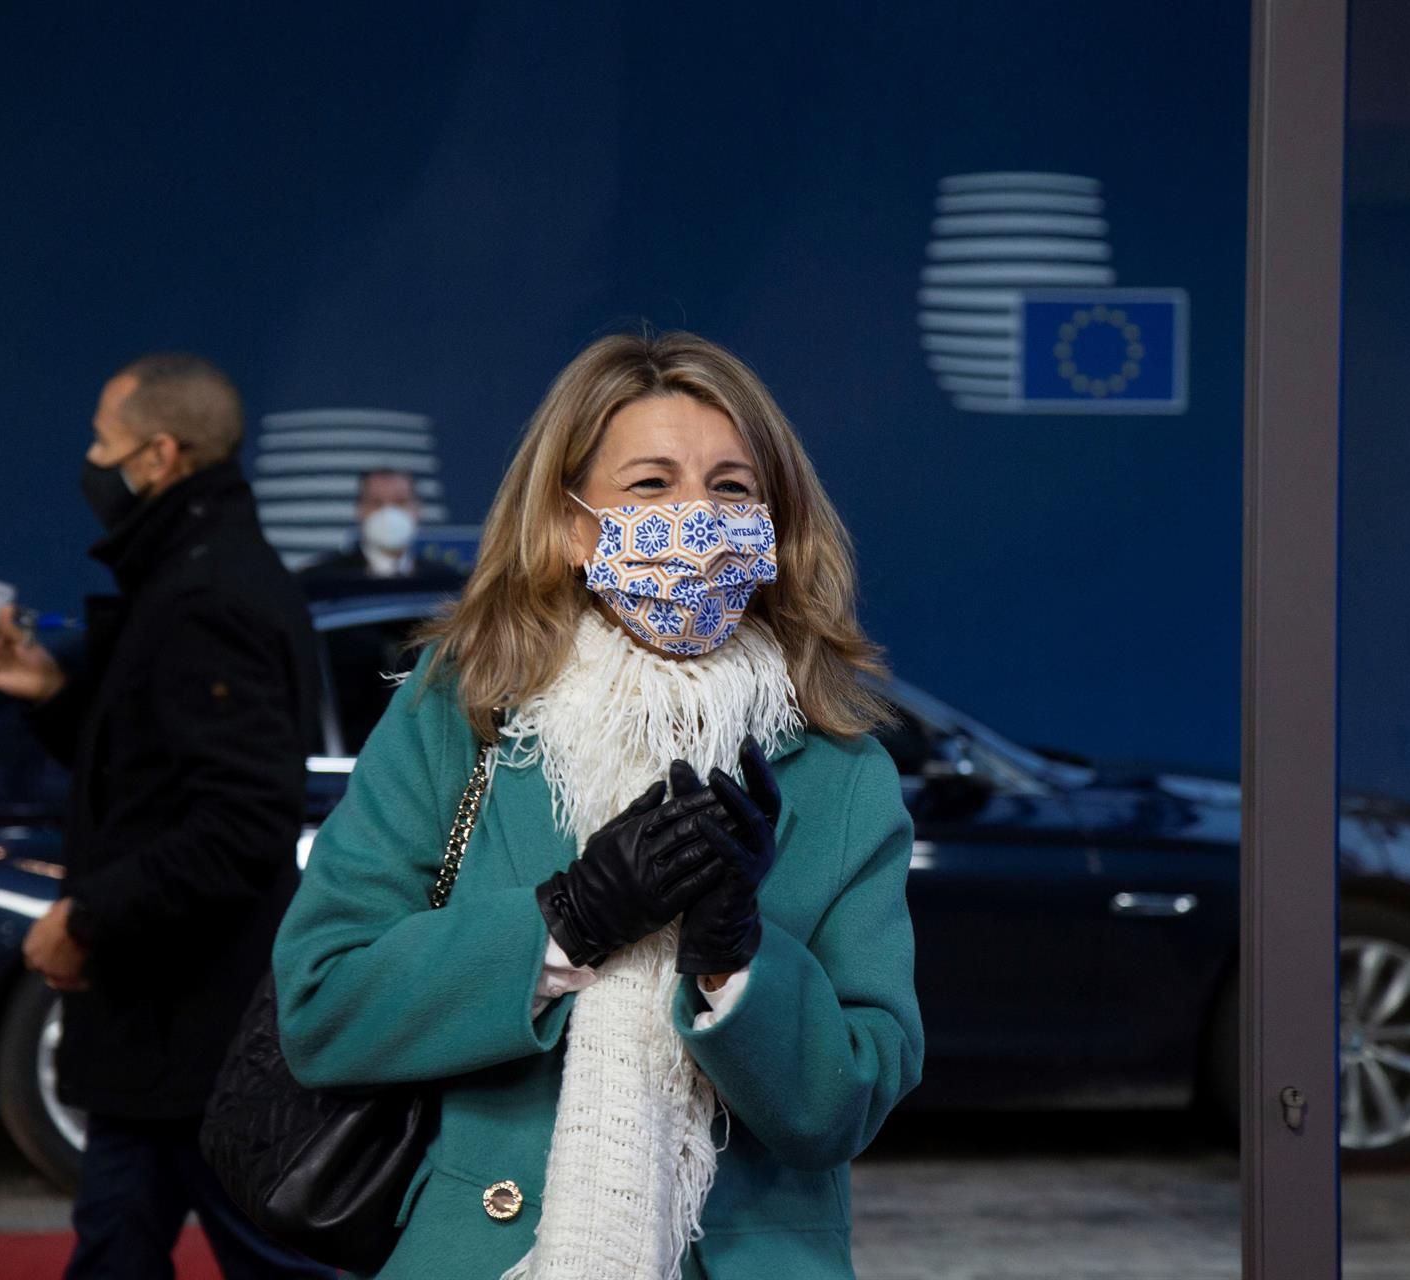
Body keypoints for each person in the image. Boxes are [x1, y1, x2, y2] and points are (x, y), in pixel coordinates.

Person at [272, 331, 923, 1279]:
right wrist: (567, 921)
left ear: (774, 529)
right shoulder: (460, 717)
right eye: (652, 485)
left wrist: (739, 961)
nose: (696, 516)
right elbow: (323, 1006)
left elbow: (848, 1104)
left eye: (732, 489)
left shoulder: (840, 770)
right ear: (573, 527)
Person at [0, 352, 334, 1280]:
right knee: (118, 1253)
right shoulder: (187, 576)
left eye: (103, 441)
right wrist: (49, 693)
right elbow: (156, 772)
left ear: (160, 455)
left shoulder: (209, 593)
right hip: (154, 1042)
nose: (92, 460)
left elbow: (241, 820)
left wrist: (86, 915)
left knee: (257, 1257)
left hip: (197, 1038)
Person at [299, 468, 465, 589]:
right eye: (377, 503)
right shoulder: (322, 580)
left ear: (418, 510)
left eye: (400, 502)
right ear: (360, 510)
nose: (389, 513)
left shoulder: (445, 582)